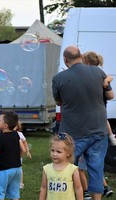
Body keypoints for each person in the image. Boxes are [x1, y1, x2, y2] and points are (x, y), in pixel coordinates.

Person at [52, 46, 114, 200]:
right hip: (98, 130)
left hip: (72, 134)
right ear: (80, 56)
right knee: (96, 169)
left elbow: (59, 101)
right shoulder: (99, 72)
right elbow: (110, 95)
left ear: (66, 60)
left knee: (64, 167)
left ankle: (64, 196)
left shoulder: (58, 78)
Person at [77, 51, 114, 198]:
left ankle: (84, 191)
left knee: (84, 164)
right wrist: (106, 81)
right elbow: (110, 91)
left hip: (87, 124)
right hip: (99, 121)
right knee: (96, 165)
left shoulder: (89, 75)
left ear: (85, 62)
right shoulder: (100, 74)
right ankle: (98, 190)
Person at [39, 132, 83, 200]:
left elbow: (78, 188)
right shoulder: (46, 169)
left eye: (58, 152)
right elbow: (44, 188)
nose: (54, 154)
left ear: (68, 153)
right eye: (52, 150)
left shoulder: (73, 169)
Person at [15, 122, 32, 189]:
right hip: (10, 155)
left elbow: (25, 142)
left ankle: (21, 183)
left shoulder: (20, 134)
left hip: (18, 155)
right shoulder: (7, 134)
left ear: (17, 126)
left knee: (19, 169)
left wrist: (28, 151)